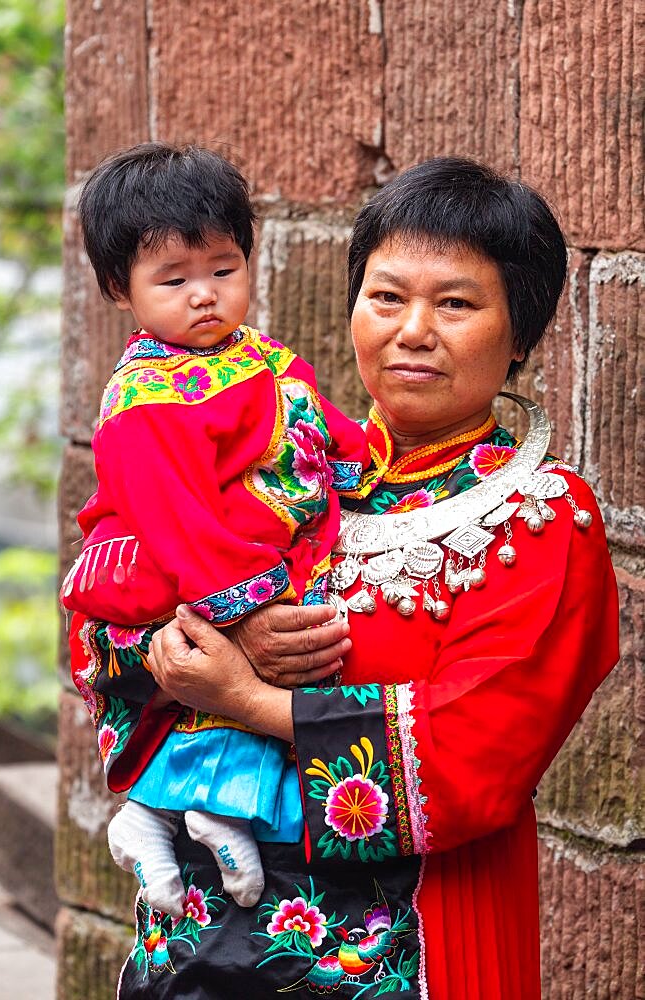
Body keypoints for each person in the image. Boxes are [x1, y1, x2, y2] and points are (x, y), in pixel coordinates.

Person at [69, 157, 619, 999]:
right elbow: (110, 607)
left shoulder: (539, 520)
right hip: (199, 935)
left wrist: (246, 699)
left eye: (458, 303)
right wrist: (163, 649)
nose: (413, 330)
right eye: (387, 296)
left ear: (523, 332)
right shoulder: (300, 464)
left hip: (408, 936)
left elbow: (477, 749)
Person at [62, 142, 369, 917]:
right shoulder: (144, 403)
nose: (204, 295)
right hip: (177, 561)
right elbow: (177, 518)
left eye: (223, 270)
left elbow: (319, 425)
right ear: (118, 289)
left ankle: (153, 817)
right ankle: (218, 804)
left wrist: (369, 467)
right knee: (243, 663)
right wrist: (249, 605)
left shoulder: (257, 355)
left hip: (230, 549)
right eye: (174, 280)